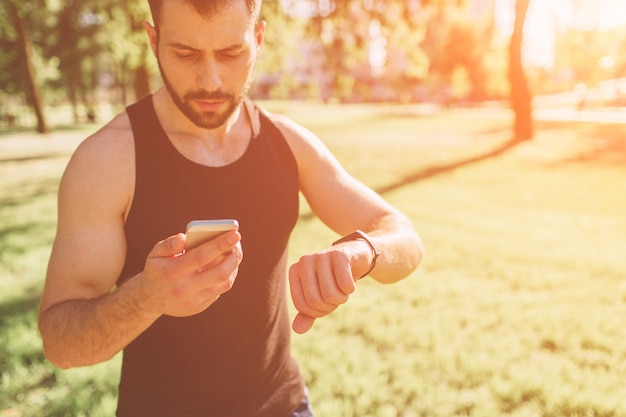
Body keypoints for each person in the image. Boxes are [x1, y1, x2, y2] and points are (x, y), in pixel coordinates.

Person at [37, 0, 424, 416]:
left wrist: (359, 252)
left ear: (257, 41)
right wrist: (147, 297)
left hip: (286, 406)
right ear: (154, 40)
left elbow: (402, 236)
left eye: (230, 53)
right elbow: (61, 344)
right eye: (185, 54)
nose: (210, 79)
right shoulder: (106, 162)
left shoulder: (287, 143)